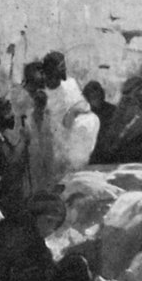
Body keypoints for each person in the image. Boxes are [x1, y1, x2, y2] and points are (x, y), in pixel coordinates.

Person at [39, 51, 99, 186]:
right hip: (52, 135)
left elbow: (84, 105)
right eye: (57, 70)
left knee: (91, 120)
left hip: (71, 130)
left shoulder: (70, 84)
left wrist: (71, 113)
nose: (57, 79)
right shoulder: (42, 91)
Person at [82, 81, 117, 164]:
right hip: (91, 153)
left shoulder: (112, 110)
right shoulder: (85, 112)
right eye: (93, 96)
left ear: (102, 95)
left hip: (109, 152)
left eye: (98, 95)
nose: (96, 98)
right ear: (87, 97)